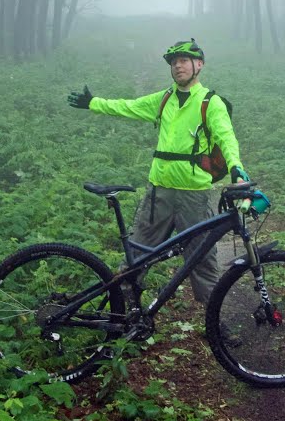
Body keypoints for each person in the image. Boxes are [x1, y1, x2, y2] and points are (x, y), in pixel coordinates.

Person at [67, 38, 247, 306]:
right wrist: (93, 103)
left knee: (203, 261)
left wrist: (236, 168)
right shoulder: (164, 99)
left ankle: (217, 324)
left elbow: (226, 137)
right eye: (174, 62)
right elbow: (128, 107)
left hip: (194, 195)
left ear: (199, 65)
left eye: (183, 61)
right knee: (136, 256)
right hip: (158, 191)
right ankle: (122, 315)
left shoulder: (211, 102)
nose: (178, 66)